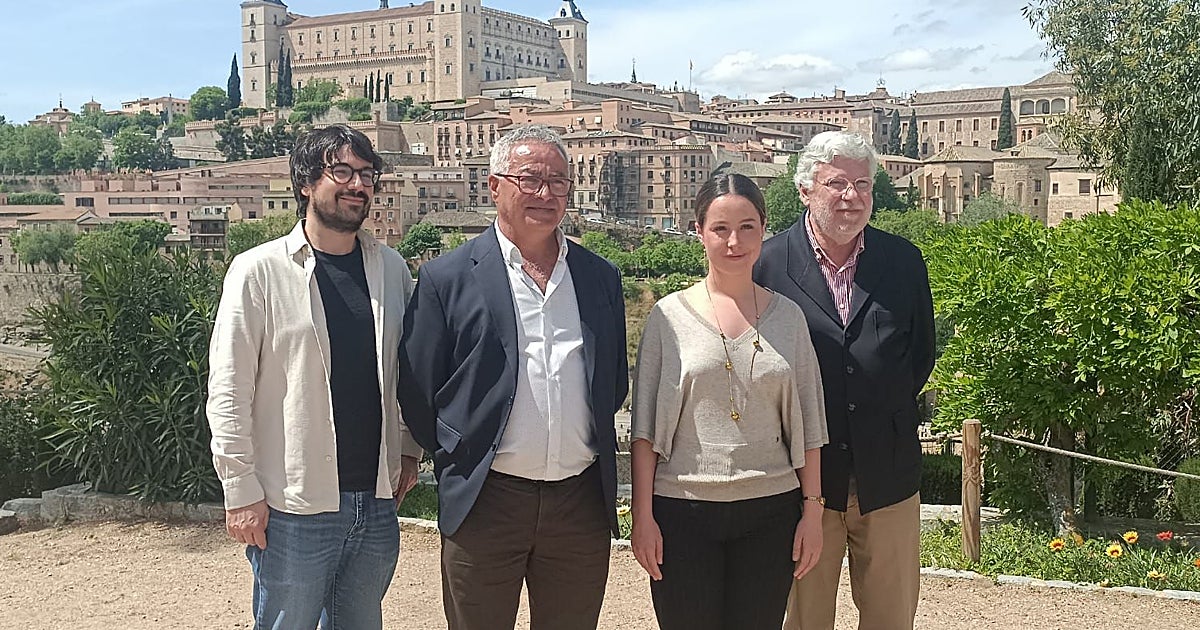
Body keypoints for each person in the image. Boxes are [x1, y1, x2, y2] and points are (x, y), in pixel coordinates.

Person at [397, 124, 628, 630]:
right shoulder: (447, 277)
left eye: (558, 181)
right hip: (486, 501)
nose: (545, 193)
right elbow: (417, 386)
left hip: (579, 504)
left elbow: (612, 384)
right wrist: (456, 452)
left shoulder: (599, 277)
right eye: (530, 179)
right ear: (495, 185)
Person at [206, 124, 421, 630]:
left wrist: (409, 447)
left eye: (367, 175)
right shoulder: (256, 271)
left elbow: (407, 369)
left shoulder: (391, 268)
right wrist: (240, 491)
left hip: (375, 501)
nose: (357, 185)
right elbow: (229, 389)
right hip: (292, 505)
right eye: (341, 171)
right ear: (306, 183)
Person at [753, 131, 936, 630]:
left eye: (863, 184)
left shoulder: (903, 261)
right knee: (804, 619)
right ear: (805, 189)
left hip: (888, 477)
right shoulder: (767, 265)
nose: (852, 196)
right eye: (837, 183)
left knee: (891, 616)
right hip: (800, 482)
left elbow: (920, 356)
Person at [629, 173, 829, 630]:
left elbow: (810, 425)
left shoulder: (790, 319)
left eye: (747, 227)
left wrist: (812, 514)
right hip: (682, 513)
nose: (734, 241)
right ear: (698, 231)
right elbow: (645, 431)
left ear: (764, 229)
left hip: (772, 512)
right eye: (720, 228)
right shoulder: (668, 317)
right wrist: (643, 516)